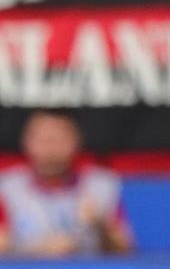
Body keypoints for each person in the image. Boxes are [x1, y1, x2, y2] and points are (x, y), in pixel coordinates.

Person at [0, 110, 135, 257]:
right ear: (26, 142)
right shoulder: (7, 188)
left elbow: (125, 248)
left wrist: (100, 225)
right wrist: (38, 249)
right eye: (44, 139)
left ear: (76, 141)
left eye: (59, 139)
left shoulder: (101, 186)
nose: (51, 149)